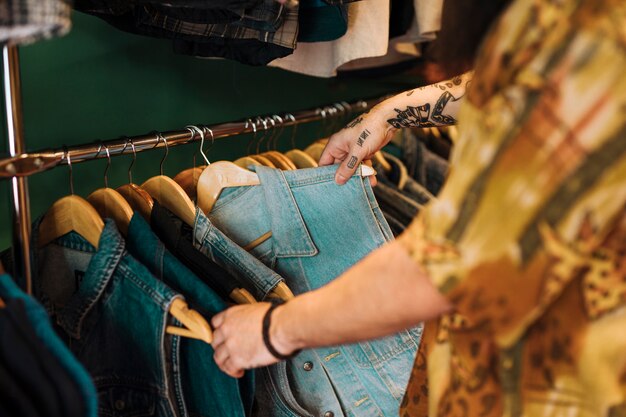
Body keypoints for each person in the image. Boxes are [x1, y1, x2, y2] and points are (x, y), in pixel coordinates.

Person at [211, 0, 626, 415]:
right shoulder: (585, 27)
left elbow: (451, 264)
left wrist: (275, 330)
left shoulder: (593, 36)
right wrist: (393, 113)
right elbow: (521, 84)